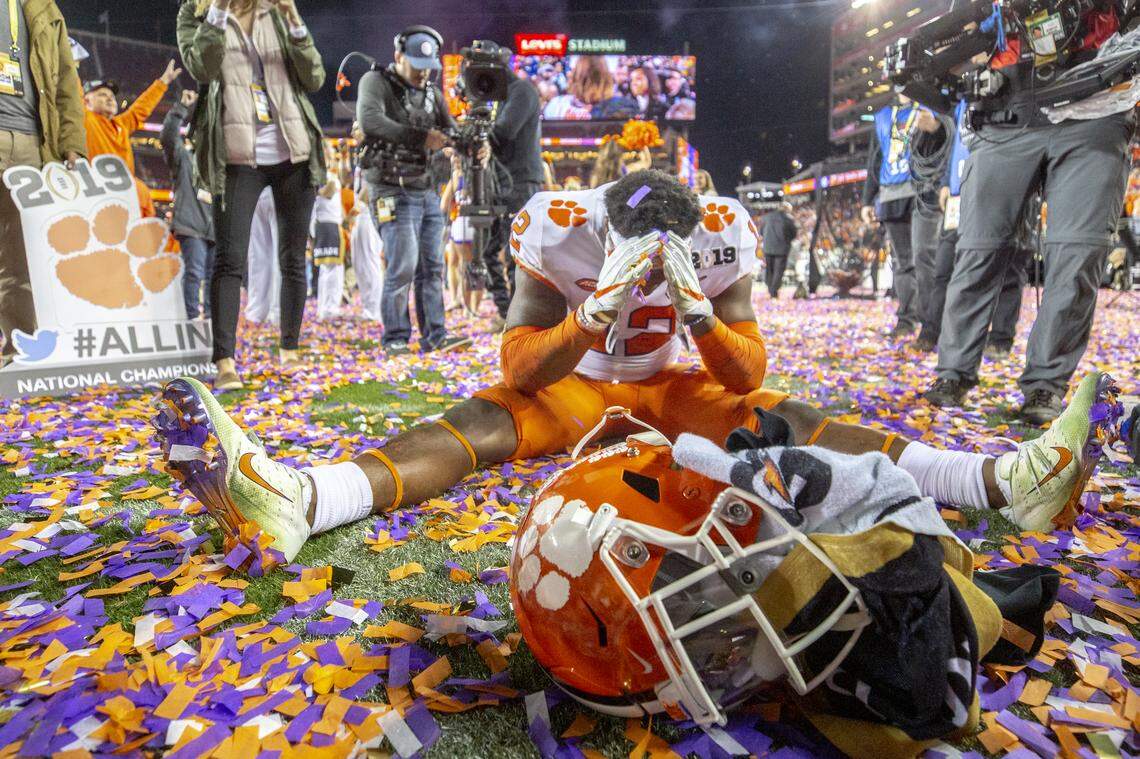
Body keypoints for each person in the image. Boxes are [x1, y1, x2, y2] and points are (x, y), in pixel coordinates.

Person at [153, 170, 1118, 571]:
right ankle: (303, 498)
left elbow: (743, 375)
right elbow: (522, 362)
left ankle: (998, 481)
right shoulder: (558, 225)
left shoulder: (726, 229)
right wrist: (591, 315)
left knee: (790, 417)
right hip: (584, 382)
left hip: (674, 382)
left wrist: (697, 313)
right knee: (483, 417)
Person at [923, 6, 1132, 424]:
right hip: (1004, 106)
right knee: (979, 248)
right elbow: (962, 24)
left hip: (1098, 100)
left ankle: (1045, 384)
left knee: (1078, 252)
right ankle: (953, 374)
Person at [177, 0, 327, 390]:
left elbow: (313, 77)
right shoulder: (195, 13)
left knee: (294, 257)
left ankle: (290, 346)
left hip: (292, 150)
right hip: (237, 154)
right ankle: (225, 360)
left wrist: (295, 18)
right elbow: (202, 67)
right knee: (229, 259)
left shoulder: (276, 13)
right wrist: (219, 13)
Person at [356, 25, 469, 356]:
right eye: (417, 68)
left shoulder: (433, 93)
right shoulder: (374, 82)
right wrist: (422, 138)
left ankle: (435, 335)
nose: (423, 74)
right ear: (398, 56)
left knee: (432, 267)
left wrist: (468, 142)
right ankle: (395, 337)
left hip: (427, 189)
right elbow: (371, 121)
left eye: (428, 68)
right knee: (402, 266)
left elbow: (450, 130)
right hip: (391, 189)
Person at [0, 0, 85, 366]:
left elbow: (67, 79)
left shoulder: (45, 8)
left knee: (22, 256)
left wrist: (73, 144)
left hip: (35, 144)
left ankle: (17, 348)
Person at [860, 95, 944, 339]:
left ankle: (931, 327)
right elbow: (875, 159)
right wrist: (867, 199)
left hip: (924, 190)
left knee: (923, 257)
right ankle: (906, 320)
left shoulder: (931, 106)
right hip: (891, 194)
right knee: (902, 262)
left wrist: (937, 128)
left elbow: (947, 143)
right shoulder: (884, 116)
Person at [480, 72, 543, 327]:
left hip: (519, 183)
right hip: (498, 183)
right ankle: (507, 311)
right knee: (486, 250)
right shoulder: (500, 98)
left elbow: (503, 133)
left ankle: (519, 319)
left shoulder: (522, 90)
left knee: (516, 253)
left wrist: (478, 137)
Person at [84, 62, 181, 218]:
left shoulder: (121, 124)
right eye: (102, 95)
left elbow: (140, 110)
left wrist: (162, 83)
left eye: (111, 96)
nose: (110, 99)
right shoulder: (85, 119)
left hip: (124, 197)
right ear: (87, 101)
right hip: (96, 196)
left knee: (142, 192)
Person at [161, 89, 215, 320]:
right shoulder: (184, 158)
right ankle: (191, 320)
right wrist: (181, 108)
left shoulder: (216, 166)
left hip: (213, 229)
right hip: (191, 225)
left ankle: (213, 320)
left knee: (214, 276)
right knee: (194, 272)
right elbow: (168, 137)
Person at [440, 150, 481, 315]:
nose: (454, 159)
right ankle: (468, 306)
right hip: (470, 224)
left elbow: (443, 205)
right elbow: (444, 205)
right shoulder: (473, 172)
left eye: (457, 156)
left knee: (467, 266)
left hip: (464, 225)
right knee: (466, 265)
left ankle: (469, 307)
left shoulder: (460, 175)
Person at [312, 142, 344, 321]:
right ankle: (329, 308)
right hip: (328, 222)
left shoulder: (326, 172)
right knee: (332, 267)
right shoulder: (322, 173)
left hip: (327, 222)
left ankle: (325, 307)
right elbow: (328, 192)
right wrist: (334, 170)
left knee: (328, 267)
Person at [244, 187, 280, 326]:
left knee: (258, 255)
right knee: (281, 255)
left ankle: (257, 311)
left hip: (255, 188)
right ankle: (278, 312)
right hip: (279, 187)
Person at [760, 202, 797, 298]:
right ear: (787, 209)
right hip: (782, 248)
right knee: (778, 271)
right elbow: (794, 234)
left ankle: (770, 289)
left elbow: (761, 232)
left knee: (769, 270)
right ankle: (774, 291)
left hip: (768, 248)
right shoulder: (788, 219)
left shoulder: (766, 217)